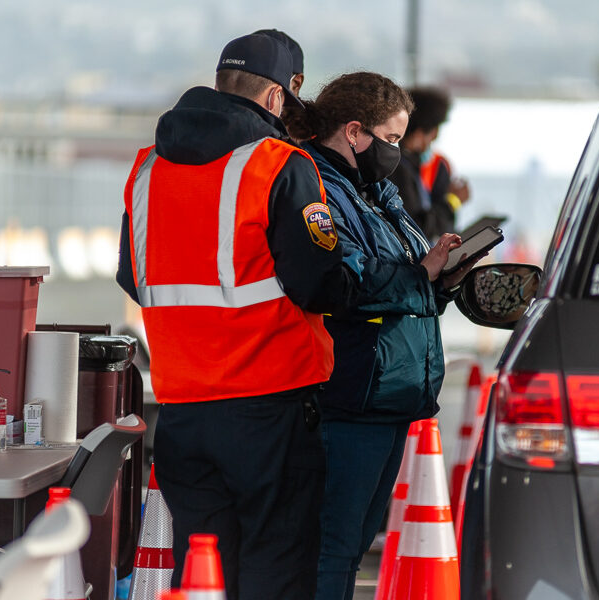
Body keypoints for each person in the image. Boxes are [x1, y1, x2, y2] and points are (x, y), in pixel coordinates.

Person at [115, 33, 359, 600]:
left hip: (183, 412)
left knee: (203, 570)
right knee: (276, 566)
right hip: (270, 408)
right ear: (278, 96)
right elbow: (319, 283)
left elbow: (134, 276)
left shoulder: (148, 168)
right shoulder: (279, 165)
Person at [285, 72, 478, 600]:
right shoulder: (316, 188)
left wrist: (440, 278)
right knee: (333, 547)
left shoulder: (377, 194)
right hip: (352, 393)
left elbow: (408, 275)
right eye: (391, 138)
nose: (397, 151)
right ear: (354, 132)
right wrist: (421, 276)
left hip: (389, 394)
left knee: (351, 545)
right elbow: (345, 280)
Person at [389, 86, 471, 240]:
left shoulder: (407, 165)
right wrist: (452, 201)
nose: (435, 137)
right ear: (420, 132)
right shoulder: (399, 169)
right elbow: (416, 227)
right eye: (434, 130)